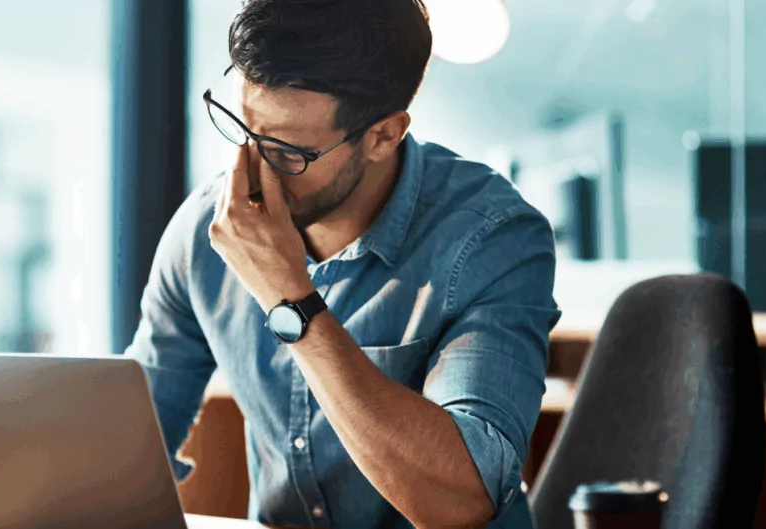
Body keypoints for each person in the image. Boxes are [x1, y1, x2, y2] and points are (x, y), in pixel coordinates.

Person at [124, 0, 561, 527]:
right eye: (241, 127)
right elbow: (130, 448)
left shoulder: (492, 238)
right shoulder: (207, 231)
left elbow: (463, 503)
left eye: (286, 151)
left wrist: (290, 300)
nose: (252, 169)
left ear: (383, 135)